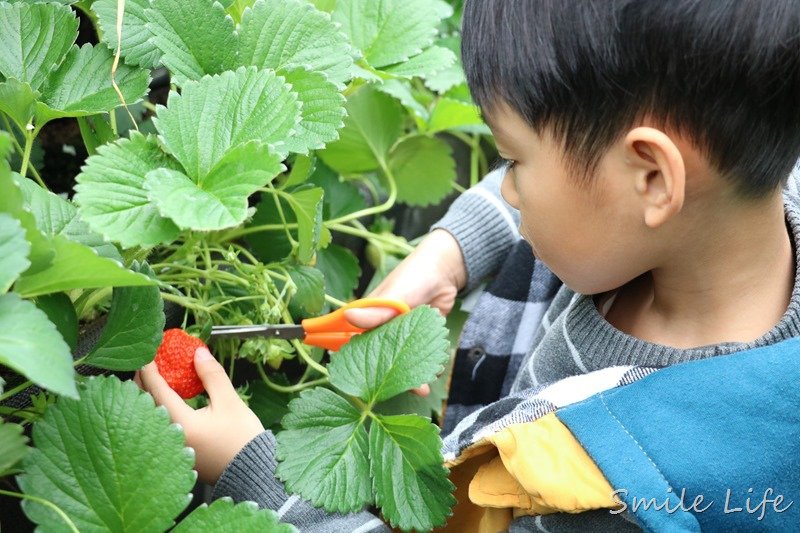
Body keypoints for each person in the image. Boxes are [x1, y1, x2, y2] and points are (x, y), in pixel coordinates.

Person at [137, 0, 800, 530]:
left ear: (654, 178)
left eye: (512, 160)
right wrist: (451, 249)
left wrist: (254, 470)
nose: (504, 187)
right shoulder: (740, 191)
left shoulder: (617, 492)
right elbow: (587, 188)